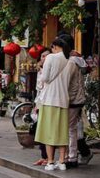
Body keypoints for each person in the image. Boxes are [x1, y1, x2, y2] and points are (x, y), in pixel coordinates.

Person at [34, 37, 71, 171]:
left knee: (49, 132)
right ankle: (62, 161)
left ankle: (50, 161)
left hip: (49, 98)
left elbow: (44, 78)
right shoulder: (69, 61)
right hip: (63, 99)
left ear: (55, 46)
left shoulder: (51, 58)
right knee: (62, 132)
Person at [64, 50, 94, 168]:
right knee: (73, 128)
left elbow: (67, 82)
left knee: (70, 128)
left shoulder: (71, 62)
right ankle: (74, 155)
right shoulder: (79, 61)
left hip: (72, 99)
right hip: (78, 99)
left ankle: (71, 157)